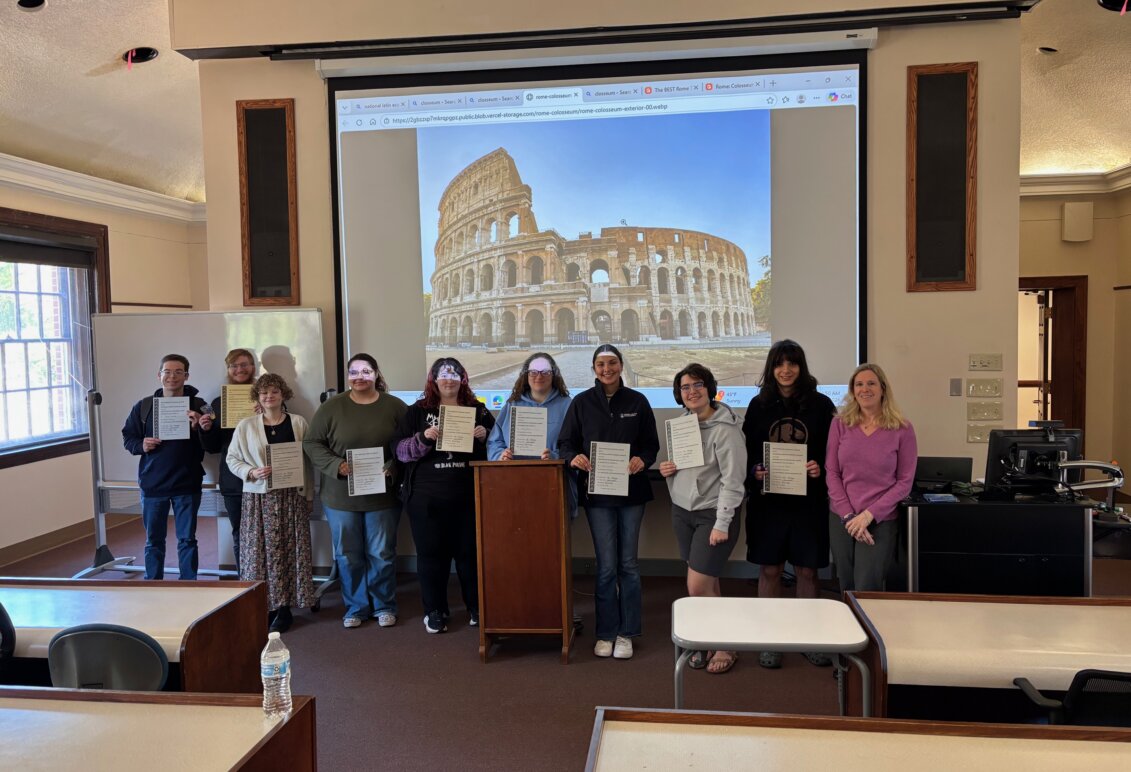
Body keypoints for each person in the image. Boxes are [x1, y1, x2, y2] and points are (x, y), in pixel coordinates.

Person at [558, 344, 659, 660]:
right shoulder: (582, 402)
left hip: (631, 494)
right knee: (605, 567)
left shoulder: (638, 401)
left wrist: (643, 459)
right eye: (600, 364)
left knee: (628, 564)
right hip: (598, 494)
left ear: (620, 365)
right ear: (594, 368)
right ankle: (605, 632)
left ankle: (626, 633)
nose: (607, 369)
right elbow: (565, 443)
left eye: (612, 363)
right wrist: (573, 457)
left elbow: (650, 446)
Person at [742, 339, 837, 669]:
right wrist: (755, 470)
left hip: (807, 502)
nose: (786, 370)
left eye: (792, 363)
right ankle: (770, 637)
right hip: (769, 502)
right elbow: (749, 451)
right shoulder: (758, 405)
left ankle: (807, 636)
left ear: (801, 367)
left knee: (807, 569)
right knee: (769, 568)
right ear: (772, 368)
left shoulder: (821, 405)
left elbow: (833, 451)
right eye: (779, 364)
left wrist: (820, 467)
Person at [303, 354, 407, 628]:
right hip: (340, 498)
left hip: (382, 496)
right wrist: (336, 464)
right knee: (348, 555)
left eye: (365, 371)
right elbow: (312, 443)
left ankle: (384, 605)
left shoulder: (395, 406)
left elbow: (407, 444)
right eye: (353, 372)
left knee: (381, 553)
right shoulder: (331, 408)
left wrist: (394, 465)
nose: (359, 376)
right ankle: (356, 608)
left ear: (376, 374)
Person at [394, 358, 495, 634]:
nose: (448, 380)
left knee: (469, 555)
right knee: (430, 556)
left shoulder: (478, 410)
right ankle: (435, 611)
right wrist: (423, 439)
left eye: (454, 375)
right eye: (443, 375)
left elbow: (499, 450)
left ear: (463, 379)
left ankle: (476, 607)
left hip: (468, 496)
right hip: (426, 499)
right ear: (434, 380)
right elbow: (400, 451)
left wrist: (485, 435)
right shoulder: (417, 411)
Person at [659, 363, 746, 675]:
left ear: (710, 388)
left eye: (697, 385)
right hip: (683, 512)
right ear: (679, 395)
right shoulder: (681, 424)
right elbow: (687, 470)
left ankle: (726, 644)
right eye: (685, 387)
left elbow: (733, 482)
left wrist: (722, 523)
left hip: (713, 514)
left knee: (696, 586)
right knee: (708, 582)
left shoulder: (726, 430)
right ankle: (711, 640)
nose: (692, 391)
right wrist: (669, 471)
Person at [225, 373, 314, 633]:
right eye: (263, 393)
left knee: (289, 551)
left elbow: (308, 464)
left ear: (283, 394)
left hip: (290, 497)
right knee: (260, 554)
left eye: (274, 391)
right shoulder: (246, 426)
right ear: (257, 397)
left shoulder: (298, 423)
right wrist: (251, 472)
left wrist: (308, 496)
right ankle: (266, 606)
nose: (269, 396)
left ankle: (285, 608)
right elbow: (232, 459)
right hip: (258, 499)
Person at [826, 363, 917, 592]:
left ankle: (868, 629)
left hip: (879, 520)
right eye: (859, 384)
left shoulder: (902, 429)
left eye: (871, 383)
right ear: (852, 390)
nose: (864, 389)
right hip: (842, 519)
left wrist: (868, 516)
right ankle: (848, 628)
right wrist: (848, 516)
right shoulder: (839, 424)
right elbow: (832, 472)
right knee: (845, 584)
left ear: (883, 388)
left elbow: (905, 482)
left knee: (867, 586)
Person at [121, 354, 213, 580]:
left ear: (186, 375)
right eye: (167, 372)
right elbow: (128, 438)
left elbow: (212, 443)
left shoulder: (201, 405)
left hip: (187, 482)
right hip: (153, 483)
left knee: (187, 539)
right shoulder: (143, 406)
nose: (172, 376)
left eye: (178, 372)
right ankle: (153, 584)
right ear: (159, 375)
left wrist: (200, 428)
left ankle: (189, 584)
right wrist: (141, 444)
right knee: (153, 541)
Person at [202, 348, 257, 572]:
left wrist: (267, 414)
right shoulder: (217, 403)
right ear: (228, 370)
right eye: (234, 365)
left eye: (244, 364)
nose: (239, 369)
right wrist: (205, 430)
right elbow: (213, 447)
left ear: (253, 367)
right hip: (233, 480)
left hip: (263, 477)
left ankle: (269, 586)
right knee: (240, 533)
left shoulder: (269, 396)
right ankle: (245, 581)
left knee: (268, 535)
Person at [486, 352, 571, 463]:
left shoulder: (567, 405)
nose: (539, 376)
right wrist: (500, 455)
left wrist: (555, 456)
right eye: (533, 372)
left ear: (553, 375)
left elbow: (575, 445)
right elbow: (494, 441)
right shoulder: (512, 405)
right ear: (526, 375)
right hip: (512, 474)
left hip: (554, 474)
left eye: (545, 372)